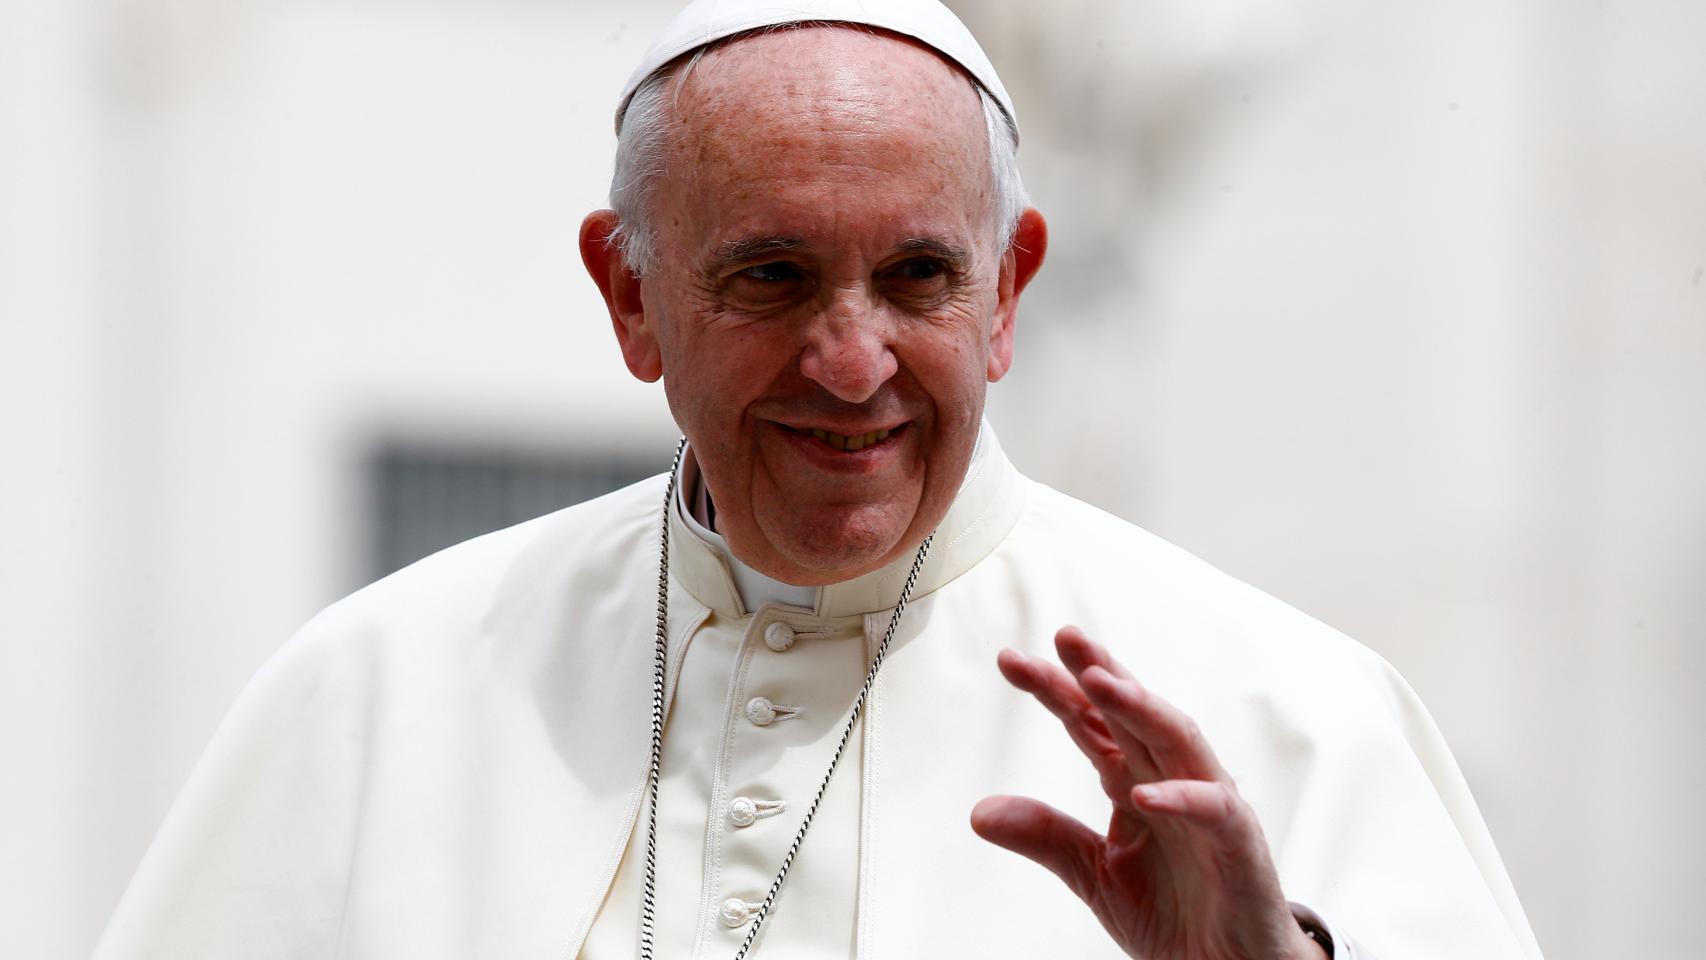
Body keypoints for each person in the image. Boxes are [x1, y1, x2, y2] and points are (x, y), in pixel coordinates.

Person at [96, 1, 1544, 958]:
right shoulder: (373, 697)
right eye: (771, 278)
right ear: (630, 296)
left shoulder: (1288, 716)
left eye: (917, 276)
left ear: (1008, 294)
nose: (849, 365)